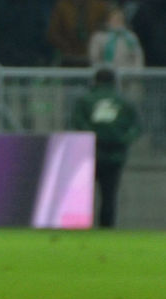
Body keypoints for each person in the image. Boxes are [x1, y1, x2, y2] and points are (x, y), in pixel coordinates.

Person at [71, 68, 141, 228]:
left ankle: (80, 225)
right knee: (109, 195)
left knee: (83, 194)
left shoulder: (85, 100)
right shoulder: (125, 102)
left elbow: (78, 123)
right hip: (115, 155)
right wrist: (122, 140)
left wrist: (94, 137)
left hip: (89, 154)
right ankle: (106, 228)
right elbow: (136, 128)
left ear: (95, 81)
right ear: (114, 82)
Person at [47, 0, 109, 66]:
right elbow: (52, 33)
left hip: (95, 55)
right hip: (68, 56)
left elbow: (106, 29)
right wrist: (66, 48)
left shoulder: (99, 5)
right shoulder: (62, 6)